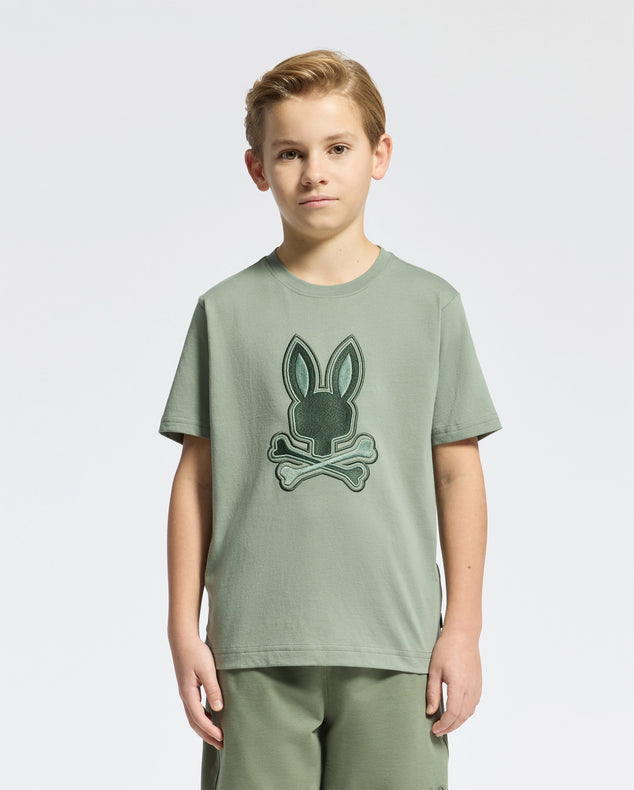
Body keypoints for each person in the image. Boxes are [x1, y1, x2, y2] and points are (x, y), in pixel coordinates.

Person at [158, 49, 502, 790]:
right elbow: (196, 481)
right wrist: (184, 629)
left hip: (397, 647)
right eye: (291, 153)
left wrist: (463, 630)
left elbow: (458, 474)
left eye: (337, 148)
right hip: (253, 648)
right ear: (258, 169)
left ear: (379, 155)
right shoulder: (225, 311)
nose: (315, 172)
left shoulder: (431, 307)